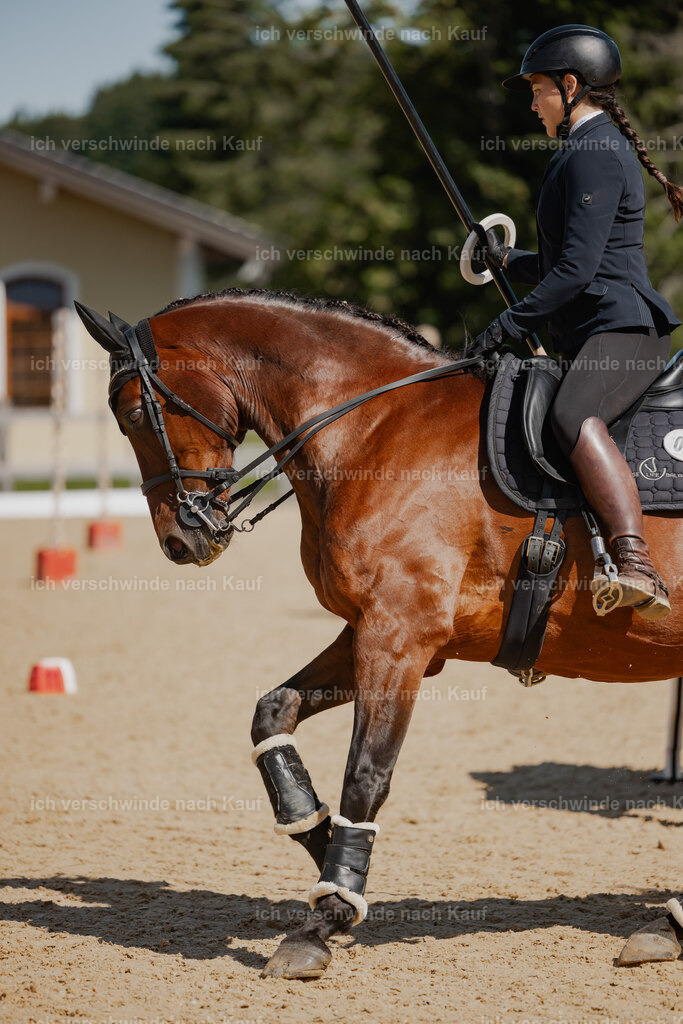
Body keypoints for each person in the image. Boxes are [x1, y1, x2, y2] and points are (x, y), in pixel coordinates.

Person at [471, 24, 682, 620]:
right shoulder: (582, 149)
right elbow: (565, 261)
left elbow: (577, 271)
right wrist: (506, 260)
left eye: (537, 89)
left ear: (569, 86)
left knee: (571, 415)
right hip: (596, 327)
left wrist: (510, 323)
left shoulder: (594, 151)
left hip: (623, 330)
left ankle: (637, 563)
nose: (532, 103)